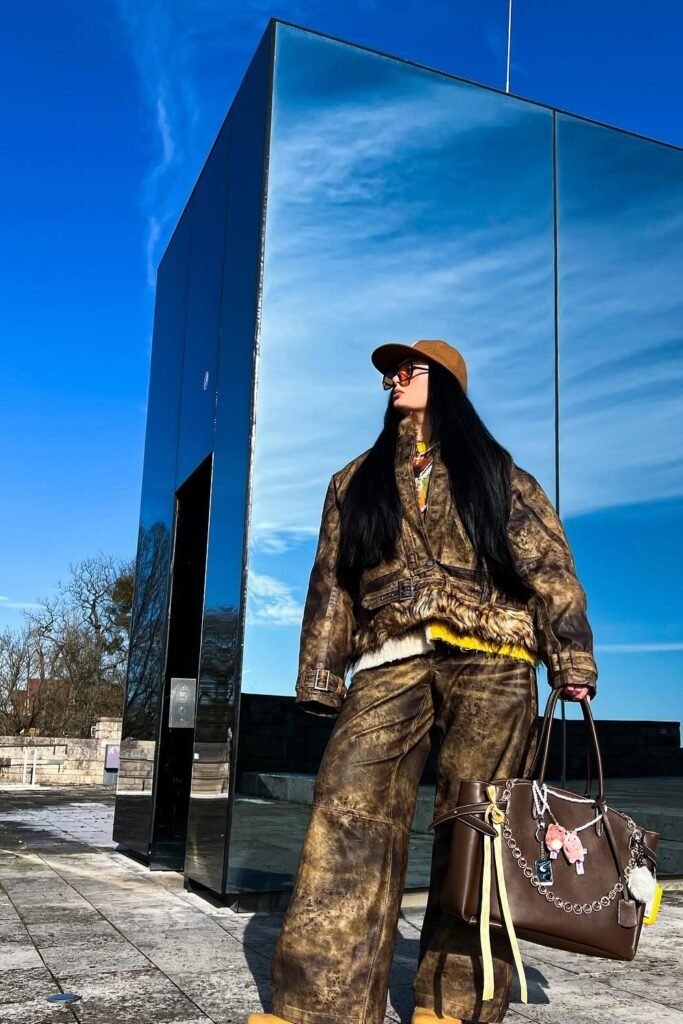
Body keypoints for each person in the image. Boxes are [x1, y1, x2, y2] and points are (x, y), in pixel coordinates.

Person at [248, 339, 597, 1024]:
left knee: (479, 833)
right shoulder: (352, 481)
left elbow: (549, 569)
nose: (394, 378)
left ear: (448, 385)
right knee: (346, 812)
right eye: (389, 371)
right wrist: (321, 674)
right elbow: (331, 584)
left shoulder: (500, 475)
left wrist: (571, 657)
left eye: (409, 368)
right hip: (388, 661)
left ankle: (455, 1005)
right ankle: (323, 1007)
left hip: (495, 660)